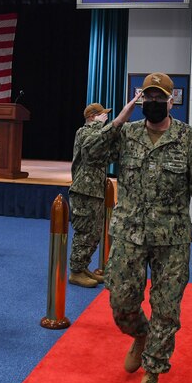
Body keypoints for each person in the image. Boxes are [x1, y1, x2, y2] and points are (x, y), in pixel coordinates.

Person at [82, 72, 192, 383]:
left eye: (161, 98)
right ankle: (140, 335)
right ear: (142, 99)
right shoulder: (126, 134)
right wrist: (121, 116)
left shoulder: (189, 140)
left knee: (167, 309)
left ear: (172, 101)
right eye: (148, 97)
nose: (154, 103)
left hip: (171, 238)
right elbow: (90, 153)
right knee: (121, 301)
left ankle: (152, 376)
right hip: (129, 233)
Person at [68, 102, 112, 288]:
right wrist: (97, 125)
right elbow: (88, 144)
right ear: (93, 117)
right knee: (85, 232)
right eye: (102, 115)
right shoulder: (84, 132)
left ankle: (83, 266)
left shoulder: (95, 133)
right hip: (83, 190)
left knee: (94, 233)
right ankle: (76, 272)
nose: (106, 118)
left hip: (94, 190)